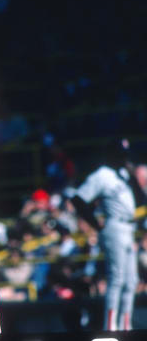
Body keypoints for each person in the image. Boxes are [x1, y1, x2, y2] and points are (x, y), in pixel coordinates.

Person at [71, 138, 143, 331]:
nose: (124, 159)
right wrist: (96, 224)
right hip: (114, 227)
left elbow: (141, 200)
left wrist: (132, 175)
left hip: (128, 228)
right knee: (117, 278)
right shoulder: (102, 175)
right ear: (112, 154)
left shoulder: (122, 175)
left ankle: (125, 326)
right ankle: (110, 327)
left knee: (131, 281)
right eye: (122, 155)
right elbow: (78, 199)